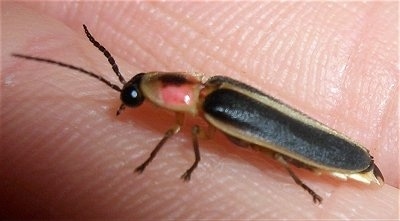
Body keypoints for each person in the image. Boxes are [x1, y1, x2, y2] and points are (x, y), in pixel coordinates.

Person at [2, 2, 398, 219]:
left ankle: (312, 180)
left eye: (136, 96)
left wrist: (169, 162)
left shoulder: (209, 110)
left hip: (337, 157)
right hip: (343, 151)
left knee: (274, 151)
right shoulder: (214, 88)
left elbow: (269, 136)